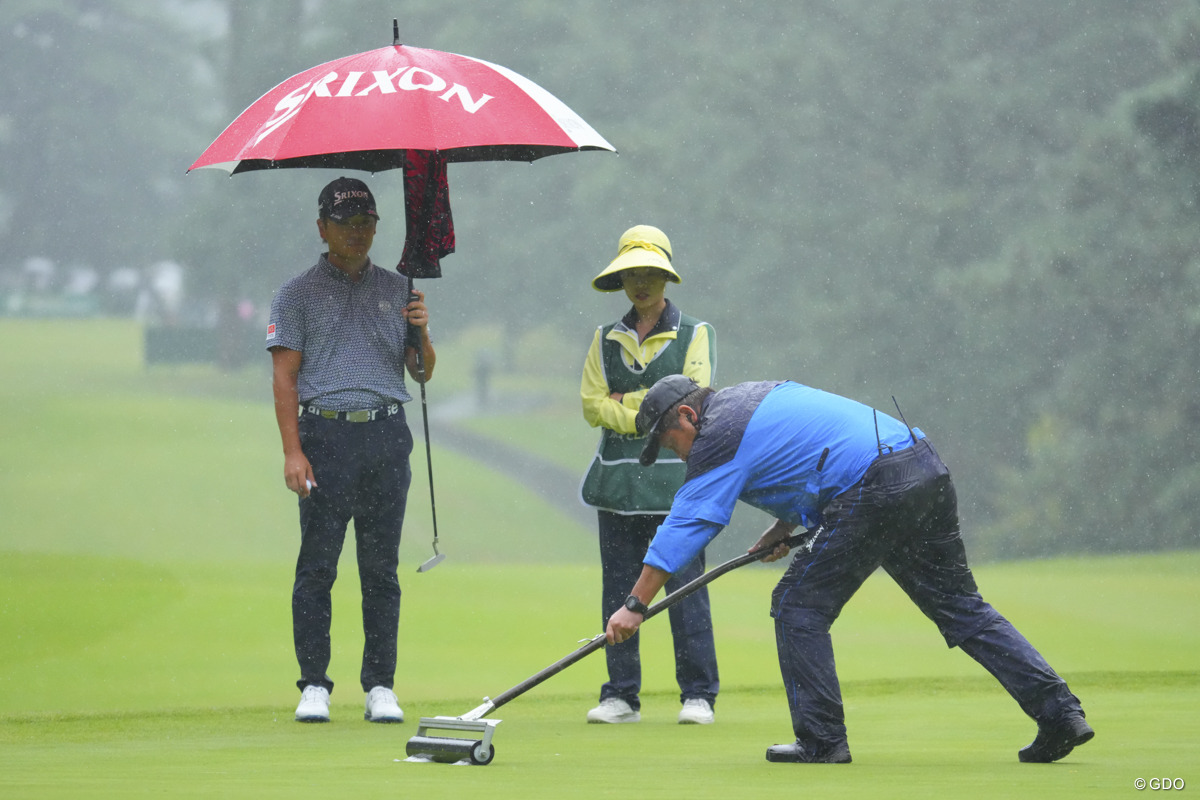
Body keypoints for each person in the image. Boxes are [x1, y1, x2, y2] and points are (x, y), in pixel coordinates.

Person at [606, 375, 1094, 763]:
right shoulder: (756, 396)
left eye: (672, 443)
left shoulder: (717, 434)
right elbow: (811, 458)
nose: (679, 455)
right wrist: (783, 527)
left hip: (875, 487)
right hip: (922, 468)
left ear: (688, 415)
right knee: (961, 608)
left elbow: (690, 521)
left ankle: (821, 741)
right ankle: (1061, 714)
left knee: (798, 607)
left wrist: (634, 605)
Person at [266, 177, 436, 724]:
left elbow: (422, 371)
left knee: (380, 570)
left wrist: (423, 333)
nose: (358, 233)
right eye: (346, 223)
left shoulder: (399, 289)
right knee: (318, 567)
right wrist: (293, 452)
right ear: (322, 228)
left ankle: (379, 685)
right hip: (325, 437)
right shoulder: (295, 294)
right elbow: (285, 378)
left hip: (387, 433)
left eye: (366, 223)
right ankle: (314, 682)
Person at [578, 225, 720, 725]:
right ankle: (620, 694)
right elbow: (592, 406)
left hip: (677, 484)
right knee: (618, 589)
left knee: (684, 589)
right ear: (620, 280)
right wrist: (650, 407)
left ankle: (698, 694)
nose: (641, 283)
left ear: (666, 277)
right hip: (617, 485)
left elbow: (694, 401)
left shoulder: (696, 333)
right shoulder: (603, 338)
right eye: (631, 274)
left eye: (651, 273)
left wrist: (627, 404)